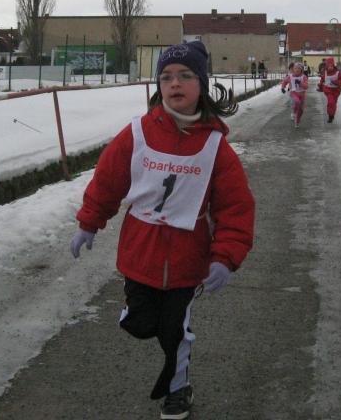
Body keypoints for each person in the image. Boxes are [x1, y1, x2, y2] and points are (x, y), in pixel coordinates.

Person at [70, 40, 256, 420]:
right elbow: (108, 180)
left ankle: (178, 389)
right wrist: (89, 222)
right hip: (140, 255)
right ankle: (142, 318)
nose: (175, 83)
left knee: (175, 331)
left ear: (201, 84)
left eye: (185, 76)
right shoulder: (137, 134)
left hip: (188, 261)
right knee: (140, 324)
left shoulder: (215, 147)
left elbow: (235, 208)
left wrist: (224, 257)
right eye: (167, 76)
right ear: (158, 85)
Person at [280, 61, 308, 128]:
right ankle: (294, 112)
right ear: (293, 69)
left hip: (302, 95)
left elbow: (306, 86)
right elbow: (285, 81)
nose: (297, 70)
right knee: (296, 101)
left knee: (301, 111)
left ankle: (297, 121)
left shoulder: (304, 77)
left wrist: (300, 83)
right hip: (294, 93)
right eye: (295, 68)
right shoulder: (290, 76)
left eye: (299, 68)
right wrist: (283, 87)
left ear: (301, 69)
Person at [318, 57, 341, 123]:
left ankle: (332, 115)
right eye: (328, 66)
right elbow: (322, 80)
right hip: (328, 90)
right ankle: (330, 116)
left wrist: (337, 82)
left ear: (333, 65)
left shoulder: (338, 72)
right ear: (326, 66)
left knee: (333, 103)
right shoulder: (325, 72)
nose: (330, 67)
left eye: (331, 66)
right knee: (331, 102)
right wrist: (320, 86)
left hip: (336, 91)